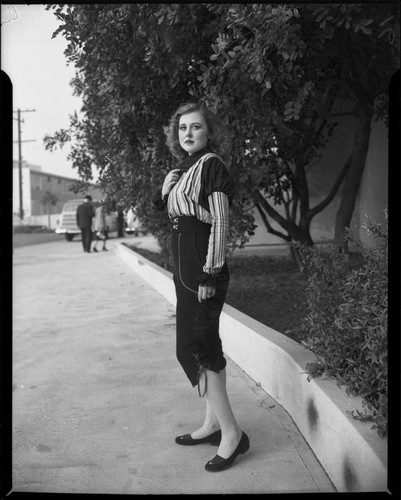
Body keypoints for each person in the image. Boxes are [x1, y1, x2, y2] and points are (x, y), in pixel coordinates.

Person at [158, 102, 249, 472]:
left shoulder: (211, 165)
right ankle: (212, 423)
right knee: (203, 346)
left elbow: (221, 224)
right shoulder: (184, 171)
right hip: (185, 268)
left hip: (202, 271)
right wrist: (165, 194)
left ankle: (232, 434)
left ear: (209, 131)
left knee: (197, 348)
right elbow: (181, 214)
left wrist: (210, 275)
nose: (188, 133)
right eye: (182, 128)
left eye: (196, 127)